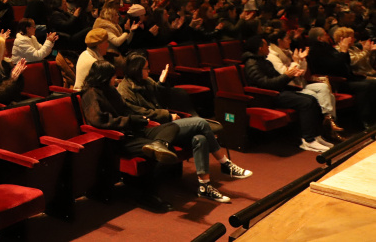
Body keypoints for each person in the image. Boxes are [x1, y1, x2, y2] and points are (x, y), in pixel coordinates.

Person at [118, 52, 253, 199]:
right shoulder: (124, 90)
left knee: (200, 139)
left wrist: (162, 83)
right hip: (150, 129)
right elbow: (140, 113)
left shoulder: (146, 81)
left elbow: (162, 99)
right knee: (200, 122)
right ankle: (225, 163)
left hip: (165, 126)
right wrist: (167, 115)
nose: (149, 70)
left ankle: (205, 186)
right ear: (136, 70)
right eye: (146, 68)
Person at [80, 60, 182, 211]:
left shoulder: (111, 90)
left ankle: (160, 145)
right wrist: (130, 121)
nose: (115, 79)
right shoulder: (91, 94)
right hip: (117, 139)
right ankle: (148, 196)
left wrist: (140, 119)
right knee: (153, 152)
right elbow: (101, 121)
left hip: (131, 132)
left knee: (172, 128)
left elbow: (126, 109)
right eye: (113, 76)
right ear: (104, 77)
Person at [242, 35, 330, 152]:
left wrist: (290, 75)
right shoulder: (252, 64)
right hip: (267, 96)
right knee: (306, 102)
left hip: (277, 91)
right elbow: (265, 83)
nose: (268, 47)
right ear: (259, 48)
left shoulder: (263, 60)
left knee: (313, 98)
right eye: (265, 45)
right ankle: (308, 141)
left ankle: (316, 135)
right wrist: (287, 76)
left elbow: (277, 79)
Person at [267, 30, 344, 142]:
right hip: (289, 88)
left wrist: (302, 60)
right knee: (318, 97)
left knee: (324, 88)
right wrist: (296, 61)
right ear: (279, 41)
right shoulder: (273, 56)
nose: (290, 41)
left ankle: (328, 119)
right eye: (287, 39)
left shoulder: (287, 51)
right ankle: (324, 131)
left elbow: (301, 72)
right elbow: (286, 74)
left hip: (299, 84)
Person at [306, 27, 376, 130]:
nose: (328, 36)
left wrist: (344, 51)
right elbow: (335, 66)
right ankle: (364, 121)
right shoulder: (316, 51)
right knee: (365, 86)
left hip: (346, 77)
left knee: (372, 83)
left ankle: (372, 118)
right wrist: (343, 50)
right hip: (336, 82)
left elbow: (344, 63)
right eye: (325, 34)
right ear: (320, 38)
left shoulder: (326, 47)